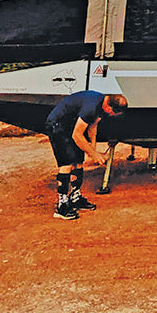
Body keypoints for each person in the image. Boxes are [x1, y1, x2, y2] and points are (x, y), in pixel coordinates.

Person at [45, 90, 128, 220]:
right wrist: (94, 154)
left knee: (78, 162)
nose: (111, 115)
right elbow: (77, 135)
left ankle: (75, 197)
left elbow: (92, 127)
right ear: (108, 107)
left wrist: (92, 148)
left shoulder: (103, 104)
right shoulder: (92, 107)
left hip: (73, 125)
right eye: (112, 113)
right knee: (67, 163)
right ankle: (62, 205)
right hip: (58, 125)